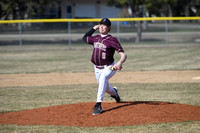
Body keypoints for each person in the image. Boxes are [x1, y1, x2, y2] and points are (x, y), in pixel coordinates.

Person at [82, 18, 127, 115]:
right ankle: (115, 93)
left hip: (109, 67)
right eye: (100, 24)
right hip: (97, 68)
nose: (101, 26)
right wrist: (94, 28)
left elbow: (123, 55)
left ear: (109, 28)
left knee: (103, 79)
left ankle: (98, 105)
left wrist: (119, 63)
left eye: (104, 25)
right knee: (105, 88)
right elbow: (84, 38)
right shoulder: (95, 38)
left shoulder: (112, 40)